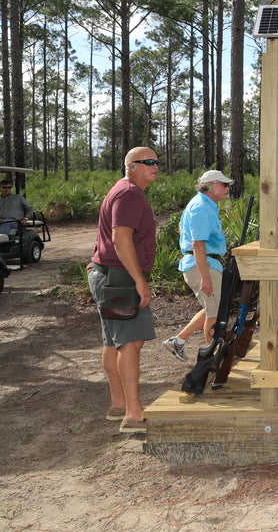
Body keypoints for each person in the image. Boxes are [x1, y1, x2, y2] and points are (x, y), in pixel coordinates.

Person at [88, 147, 160, 434]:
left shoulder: (126, 190)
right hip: (118, 277)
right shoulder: (129, 193)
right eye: (149, 162)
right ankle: (133, 414)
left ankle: (118, 404)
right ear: (131, 166)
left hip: (108, 274)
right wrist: (139, 281)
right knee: (130, 342)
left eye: (157, 162)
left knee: (112, 341)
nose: (156, 166)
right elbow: (120, 239)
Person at [162, 170, 233, 362]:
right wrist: (205, 277)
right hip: (202, 265)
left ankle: (178, 340)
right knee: (215, 312)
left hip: (205, 263)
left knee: (212, 306)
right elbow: (197, 244)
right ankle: (212, 359)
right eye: (224, 184)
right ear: (210, 186)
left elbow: (184, 230)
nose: (228, 188)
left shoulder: (204, 205)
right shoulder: (201, 207)